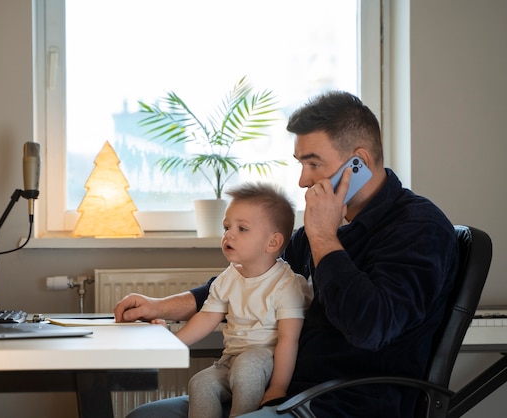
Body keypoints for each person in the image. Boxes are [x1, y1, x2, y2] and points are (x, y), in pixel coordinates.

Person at [114, 91, 459, 418]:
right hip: (283, 390)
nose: (303, 181)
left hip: (345, 403)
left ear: (359, 163)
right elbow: (251, 278)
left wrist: (324, 236)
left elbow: (370, 328)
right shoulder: (326, 224)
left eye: (314, 164)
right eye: (300, 164)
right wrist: (160, 307)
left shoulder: (419, 228)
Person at [161, 183, 312, 418]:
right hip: (230, 359)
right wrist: (172, 343)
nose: (229, 234)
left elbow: (288, 339)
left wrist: (278, 387)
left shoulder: (286, 284)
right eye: (226, 227)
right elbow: (207, 316)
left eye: (242, 229)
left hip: (265, 359)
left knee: (246, 368)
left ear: (272, 242)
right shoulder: (228, 277)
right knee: (200, 382)